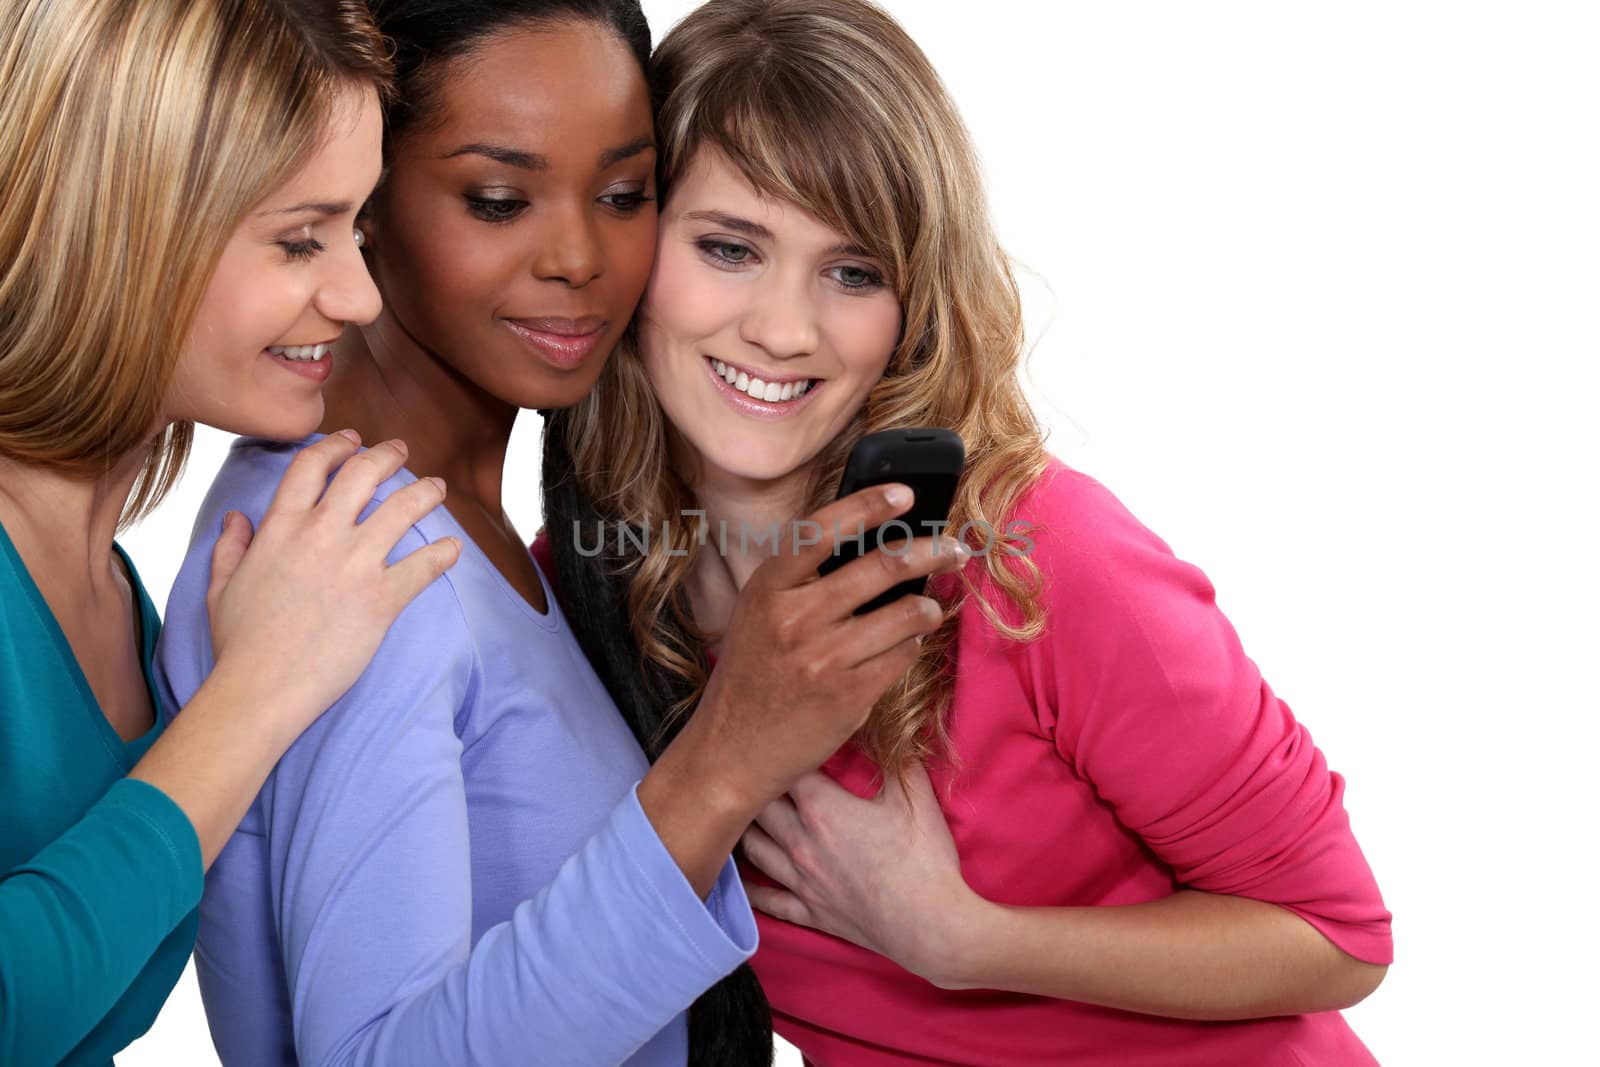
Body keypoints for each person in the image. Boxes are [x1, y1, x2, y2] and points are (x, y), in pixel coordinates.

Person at [539, 0, 1394, 1063]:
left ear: (915, 301)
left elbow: (1336, 936)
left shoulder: (1039, 558)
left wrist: (964, 939)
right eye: (729, 246)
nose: (782, 327)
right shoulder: (580, 602)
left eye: (853, 272)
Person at [154, 2, 962, 1065]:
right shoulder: (357, 553)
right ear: (364, 198)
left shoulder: (482, 529)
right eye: (499, 200)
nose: (580, 256)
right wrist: (720, 764)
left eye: (625, 194)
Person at [0, 2, 462, 1065]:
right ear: (122, 226)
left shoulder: (114, 590)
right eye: (301, 237)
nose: (355, 293)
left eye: (356, 227)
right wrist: (260, 693)